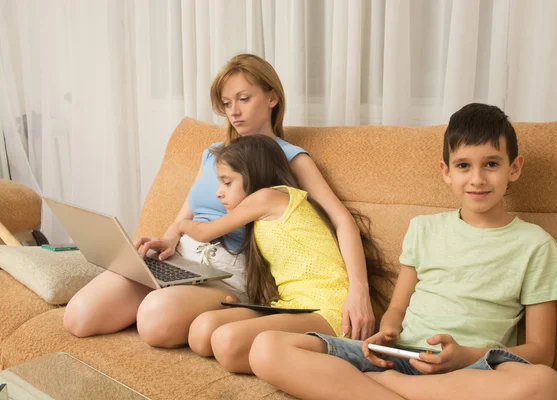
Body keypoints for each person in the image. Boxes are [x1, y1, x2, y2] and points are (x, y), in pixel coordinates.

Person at [248, 103, 557, 400]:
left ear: (513, 168)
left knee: (545, 384)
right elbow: (396, 311)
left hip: (471, 371)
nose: (477, 179)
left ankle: (391, 389)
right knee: (267, 346)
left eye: (491, 164)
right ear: (446, 171)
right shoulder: (424, 228)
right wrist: (386, 334)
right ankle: (396, 389)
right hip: (402, 357)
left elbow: (541, 353)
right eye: (463, 165)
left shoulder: (536, 245)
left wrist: (463, 354)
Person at [62, 53, 376, 348]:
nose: (234, 111)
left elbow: (341, 220)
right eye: (226, 103)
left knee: (154, 321)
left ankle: (224, 306)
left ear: (272, 98)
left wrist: (358, 291)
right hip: (181, 258)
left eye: (244, 98)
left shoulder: (290, 158)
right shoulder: (214, 153)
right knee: (79, 316)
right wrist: (168, 238)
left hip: (228, 271)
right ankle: (165, 291)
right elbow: (186, 214)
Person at [179, 135, 392, 373]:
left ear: (252, 176)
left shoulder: (269, 197)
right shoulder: (263, 216)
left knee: (227, 343)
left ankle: (346, 354)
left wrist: (180, 225)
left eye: (227, 183)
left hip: (328, 307)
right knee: (201, 331)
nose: (219, 193)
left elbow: (204, 231)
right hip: (293, 304)